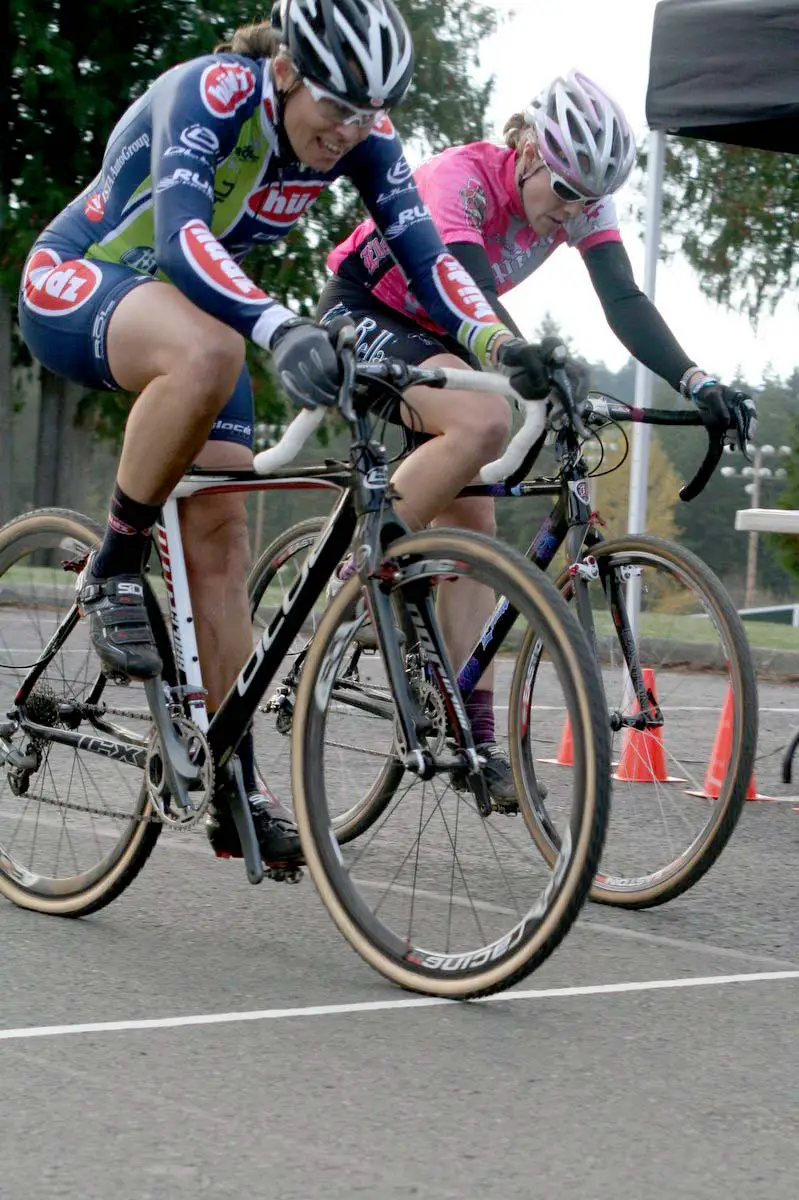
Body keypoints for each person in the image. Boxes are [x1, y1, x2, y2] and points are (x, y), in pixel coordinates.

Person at [17, 0, 554, 867]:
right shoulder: (212, 90)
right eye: (334, 107)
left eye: (365, 114)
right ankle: (112, 565)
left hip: (196, 323)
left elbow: (426, 258)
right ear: (289, 70)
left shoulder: (362, 135)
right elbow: (183, 238)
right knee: (213, 347)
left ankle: (234, 785)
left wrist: (503, 348)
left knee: (221, 541)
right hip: (80, 281)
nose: (347, 132)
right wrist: (282, 329)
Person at [317, 69, 757, 809]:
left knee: (474, 528)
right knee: (485, 420)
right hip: (366, 312)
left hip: (451, 334)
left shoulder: (573, 192)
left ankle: (473, 735)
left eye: (588, 202)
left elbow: (622, 297)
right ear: (525, 151)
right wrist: (533, 369)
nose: (572, 214)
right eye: (564, 195)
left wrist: (696, 381)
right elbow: (468, 290)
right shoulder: (458, 181)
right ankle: (348, 585)